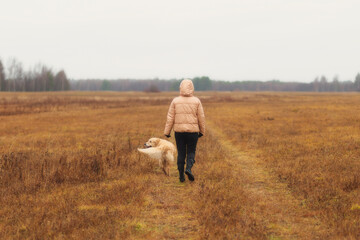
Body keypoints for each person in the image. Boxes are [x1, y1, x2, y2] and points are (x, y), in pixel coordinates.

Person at [164, 79, 206, 182]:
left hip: (179, 132)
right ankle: (188, 168)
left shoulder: (175, 101)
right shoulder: (197, 101)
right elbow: (201, 117)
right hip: (193, 133)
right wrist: (202, 131)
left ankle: (181, 176)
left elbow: (170, 117)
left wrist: (167, 132)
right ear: (192, 88)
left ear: (180, 88)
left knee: (181, 153)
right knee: (191, 151)